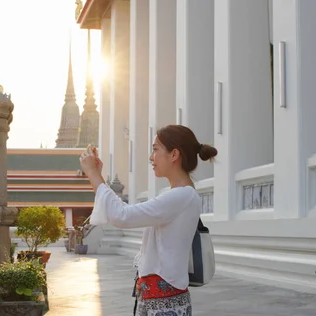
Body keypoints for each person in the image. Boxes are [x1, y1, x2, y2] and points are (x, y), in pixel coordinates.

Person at [79, 124, 218, 316]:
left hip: (165, 302)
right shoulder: (179, 195)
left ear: (174, 154)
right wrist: (97, 177)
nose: (151, 157)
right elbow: (123, 214)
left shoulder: (180, 196)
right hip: (158, 298)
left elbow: (122, 216)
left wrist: (93, 174)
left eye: (155, 149)